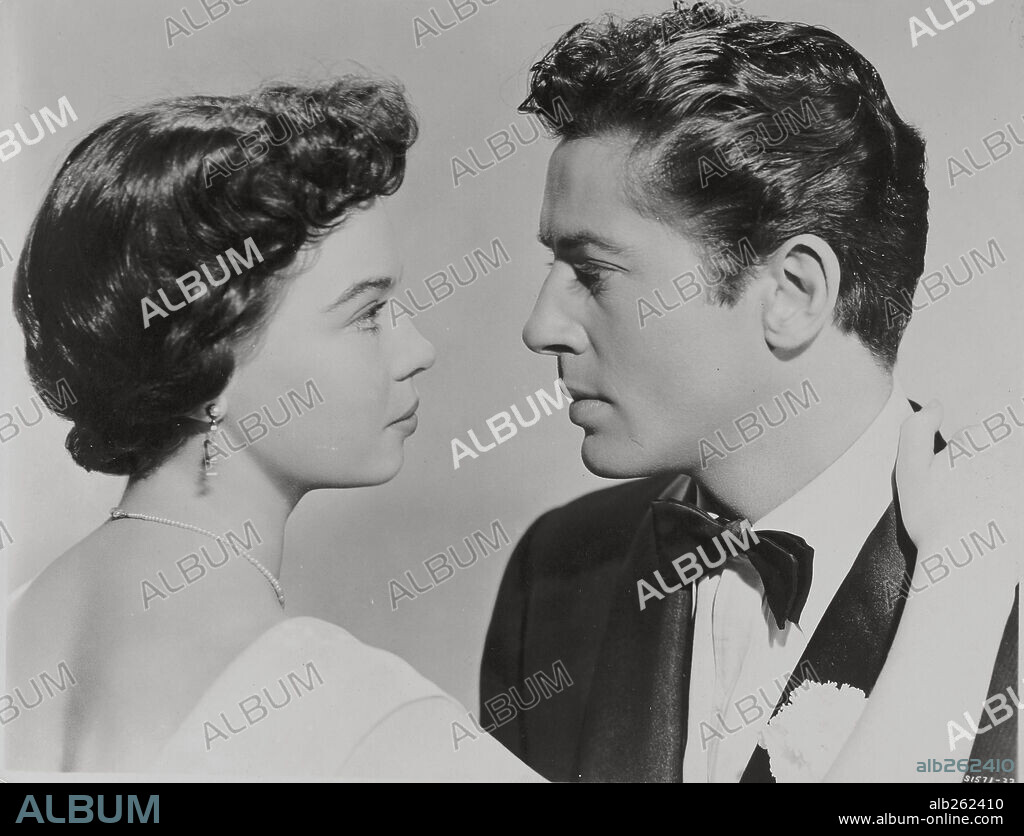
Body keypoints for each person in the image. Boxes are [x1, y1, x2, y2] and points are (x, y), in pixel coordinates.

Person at [481, 3, 1018, 782]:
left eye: (592, 272)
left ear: (793, 292)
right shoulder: (558, 574)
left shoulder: (998, 568)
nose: (541, 328)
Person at [7, 77, 540, 781]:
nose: (417, 350)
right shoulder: (353, 712)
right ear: (212, 357)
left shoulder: (20, 621)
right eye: (366, 313)